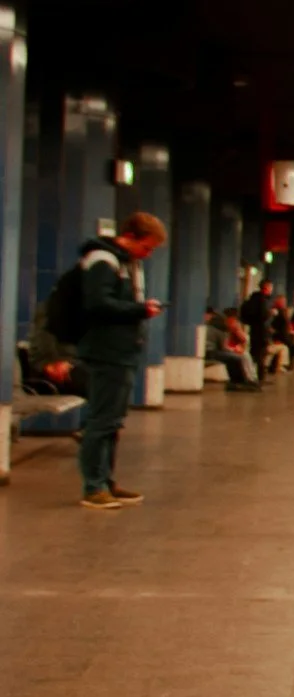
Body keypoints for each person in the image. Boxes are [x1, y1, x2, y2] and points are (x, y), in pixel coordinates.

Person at [71, 212, 166, 509]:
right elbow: (97, 304)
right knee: (101, 421)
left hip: (122, 351)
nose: (147, 255)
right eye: (146, 248)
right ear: (130, 237)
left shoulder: (125, 263)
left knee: (113, 422)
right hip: (106, 351)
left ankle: (106, 482)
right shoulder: (104, 260)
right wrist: (139, 311)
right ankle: (93, 486)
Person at [203, 304, 258, 390]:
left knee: (239, 356)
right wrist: (232, 351)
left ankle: (246, 380)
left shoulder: (216, 326)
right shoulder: (219, 327)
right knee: (236, 358)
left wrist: (237, 330)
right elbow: (223, 346)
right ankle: (241, 381)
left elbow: (243, 340)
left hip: (211, 350)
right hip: (211, 351)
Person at [240, 280, 276, 379]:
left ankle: (252, 374)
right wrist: (271, 313)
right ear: (266, 287)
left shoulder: (254, 298)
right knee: (260, 354)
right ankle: (259, 377)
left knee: (256, 353)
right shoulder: (262, 300)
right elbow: (263, 315)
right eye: (270, 287)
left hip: (255, 330)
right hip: (261, 331)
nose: (271, 290)